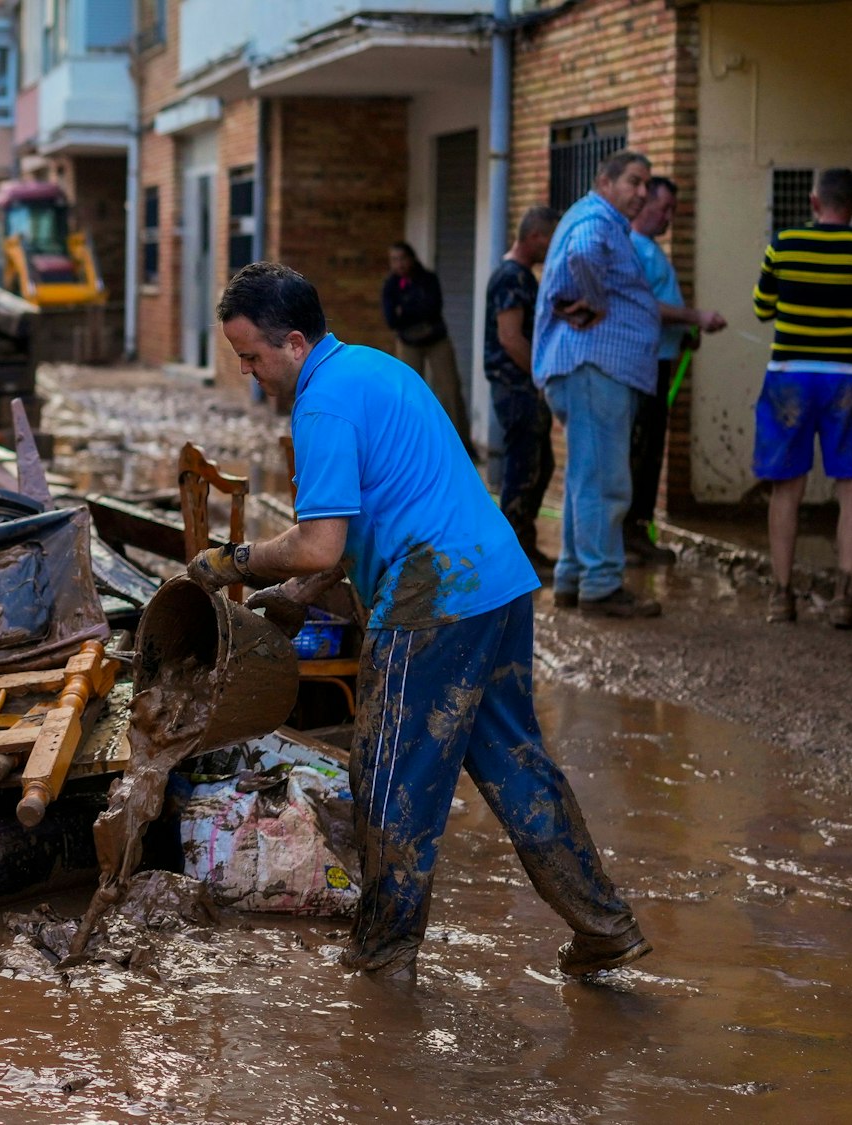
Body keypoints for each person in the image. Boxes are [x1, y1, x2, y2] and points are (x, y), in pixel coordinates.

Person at [189, 261, 649, 981]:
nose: (251, 375)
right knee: (515, 762)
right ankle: (605, 926)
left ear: (296, 343)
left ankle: (383, 955)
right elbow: (370, 518)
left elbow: (319, 540)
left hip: (431, 600)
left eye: (252, 357)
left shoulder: (322, 407)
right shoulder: (375, 370)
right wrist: (303, 593)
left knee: (389, 782)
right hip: (496, 581)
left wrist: (236, 560)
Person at [535, 150, 704, 618]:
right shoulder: (598, 219)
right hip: (595, 369)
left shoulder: (597, 217)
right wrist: (594, 300)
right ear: (605, 182)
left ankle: (574, 577)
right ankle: (602, 584)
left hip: (592, 371)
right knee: (606, 482)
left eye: (647, 184)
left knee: (586, 480)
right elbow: (584, 253)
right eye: (634, 181)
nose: (642, 192)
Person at [751, 167, 852, 627]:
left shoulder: (782, 245)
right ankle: (845, 597)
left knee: (787, 488)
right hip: (851, 381)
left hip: (789, 379)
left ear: (814, 201)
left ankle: (781, 596)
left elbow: (763, 308)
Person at [628, 177, 728, 564]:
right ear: (644, 204)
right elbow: (645, 305)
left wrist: (684, 332)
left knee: (652, 450)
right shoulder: (634, 248)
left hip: (661, 359)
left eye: (673, 211)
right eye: (663, 208)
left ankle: (637, 531)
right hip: (643, 366)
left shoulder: (650, 249)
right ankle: (630, 535)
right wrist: (694, 317)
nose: (668, 218)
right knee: (641, 451)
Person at [484, 206, 560, 571]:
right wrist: (540, 375)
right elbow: (510, 338)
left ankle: (522, 548)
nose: (553, 248)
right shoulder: (511, 278)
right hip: (517, 389)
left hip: (521, 387)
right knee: (524, 469)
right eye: (551, 239)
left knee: (539, 465)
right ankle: (513, 557)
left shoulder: (521, 277)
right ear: (535, 237)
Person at [382, 242, 471, 452]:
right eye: (394, 260)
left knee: (450, 390)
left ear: (411, 258)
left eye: (402, 258)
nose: (399, 264)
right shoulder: (391, 285)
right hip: (408, 342)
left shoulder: (427, 278)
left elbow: (432, 308)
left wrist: (406, 310)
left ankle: (461, 445)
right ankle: (412, 445)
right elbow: (391, 319)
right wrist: (411, 311)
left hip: (436, 340)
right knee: (407, 392)